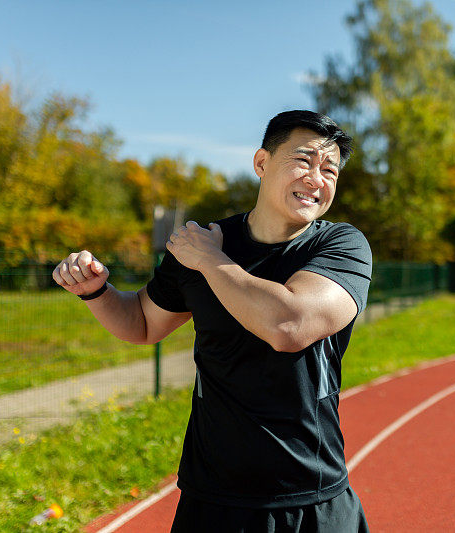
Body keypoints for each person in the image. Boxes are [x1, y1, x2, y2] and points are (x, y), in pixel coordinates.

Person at [52, 110, 372, 532]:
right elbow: (143, 324)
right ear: (262, 163)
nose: (317, 178)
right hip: (212, 497)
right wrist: (94, 291)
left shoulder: (339, 244)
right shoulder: (200, 243)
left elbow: (289, 326)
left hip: (309, 493)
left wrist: (210, 261)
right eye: (303, 160)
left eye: (329, 169)